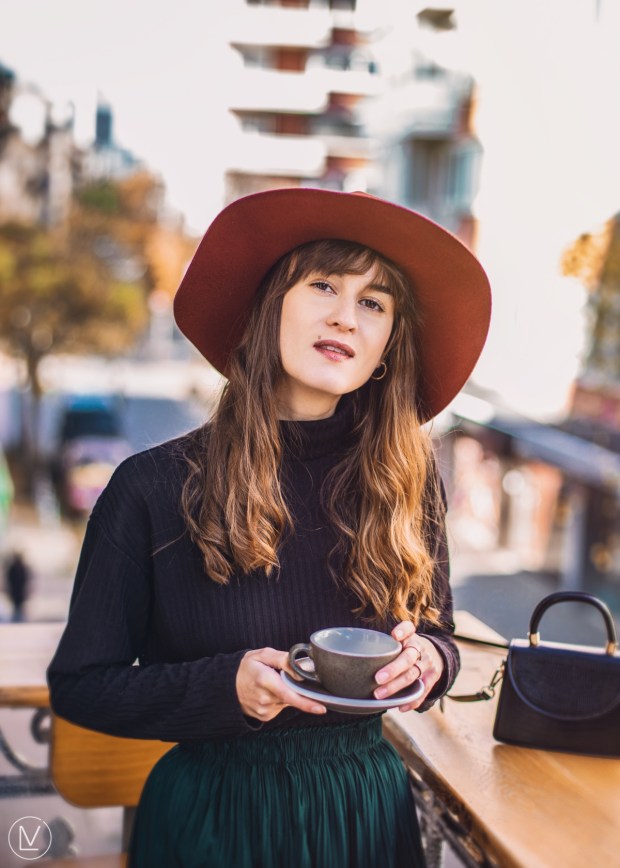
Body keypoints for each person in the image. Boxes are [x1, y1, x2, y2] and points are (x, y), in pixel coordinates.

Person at [47, 188, 491, 868]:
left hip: (365, 818)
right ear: (268, 307)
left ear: (385, 350)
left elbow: (439, 632)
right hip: (212, 820)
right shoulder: (150, 489)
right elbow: (82, 685)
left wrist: (431, 661)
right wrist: (223, 688)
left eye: (373, 303)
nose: (345, 316)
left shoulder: (407, 480)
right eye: (324, 285)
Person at [5, 551, 31, 622]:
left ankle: (19, 618)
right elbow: (9, 580)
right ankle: (17, 619)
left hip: (19, 591)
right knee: (17, 606)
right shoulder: (13, 568)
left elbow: (25, 579)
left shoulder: (21, 568)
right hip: (15, 591)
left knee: (19, 607)